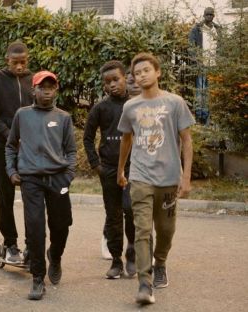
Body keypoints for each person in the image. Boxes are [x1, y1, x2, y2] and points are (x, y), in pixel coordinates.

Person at [117, 53, 194, 305]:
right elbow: (126, 140)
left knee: (166, 230)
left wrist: (186, 178)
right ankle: (144, 282)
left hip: (169, 177)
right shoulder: (130, 107)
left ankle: (160, 262)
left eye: (146, 70)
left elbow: (186, 140)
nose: (141, 75)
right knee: (142, 230)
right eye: (137, 73)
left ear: (158, 72)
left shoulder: (175, 103)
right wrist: (121, 170)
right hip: (140, 176)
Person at [6, 71, 77, 300]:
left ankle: (55, 256)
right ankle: (37, 277)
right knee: (35, 227)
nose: (47, 90)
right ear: (33, 91)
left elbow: (71, 150)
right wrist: (12, 171)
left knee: (61, 224)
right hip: (31, 180)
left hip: (58, 179)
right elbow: (10, 146)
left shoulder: (63, 117)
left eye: (51, 87)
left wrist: (68, 174)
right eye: (42, 87)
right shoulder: (22, 115)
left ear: (56, 90)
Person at [83, 61, 136, 279]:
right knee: (113, 215)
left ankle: (132, 252)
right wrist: (97, 165)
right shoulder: (101, 108)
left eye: (116, 79)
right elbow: (87, 137)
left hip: (134, 169)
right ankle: (116, 261)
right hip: (109, 170)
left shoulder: (135, 105)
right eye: (108, 82)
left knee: (131, 210)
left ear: (125, 77)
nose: (112, 85)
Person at [0, 41, 34, 263]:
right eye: (15, 62)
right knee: (6, 198)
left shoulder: (33, 80)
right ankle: (10, 243)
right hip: (5, 148)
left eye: (23, 62)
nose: (20, 67)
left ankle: (32, 244)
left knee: (32, 197)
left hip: (30, 149)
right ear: (7, 61)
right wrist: (9, 135)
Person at [188, 7, 221, 125]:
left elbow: (221, 46)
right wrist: (196, 61)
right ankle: (199, 116)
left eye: (211, 15)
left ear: (213, 16)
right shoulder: (197, 29)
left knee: (210, 92)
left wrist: (220, 60)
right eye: (207, 15)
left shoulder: (218, 29)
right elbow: (191, 46)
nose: (209, 17)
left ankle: (208, 116)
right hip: (201, 65)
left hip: (214, 65)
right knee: (200, 91)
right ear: (204, 15)